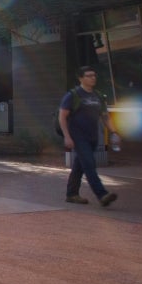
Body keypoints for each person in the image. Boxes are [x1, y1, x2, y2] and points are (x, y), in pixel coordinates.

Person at [59, 66, 121, 207]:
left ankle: (72, 194)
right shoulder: (73, 95)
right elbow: (62, 117)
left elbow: (105, 116)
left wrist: (114, 132)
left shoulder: (98, 96)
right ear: (81, 78)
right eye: (88, 75)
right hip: (78, 136)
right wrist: (67, 136)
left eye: (94, 75)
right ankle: (102, 194)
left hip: (93, 136)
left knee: (79, 166)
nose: (92, 78)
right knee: (89, 164)